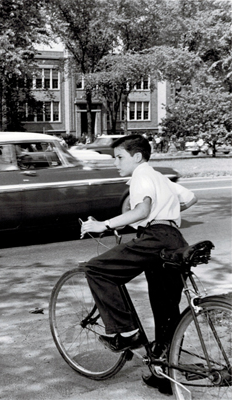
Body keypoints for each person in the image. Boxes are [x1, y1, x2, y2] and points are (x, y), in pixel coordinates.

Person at [80, 135, 197, 395]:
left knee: (97, 269)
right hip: (175, 240)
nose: (116, 163)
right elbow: (190, 199)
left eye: (119, 157)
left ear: (137, 157)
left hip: (154, 238)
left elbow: (142, 212)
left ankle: (126, 332)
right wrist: (167, 214)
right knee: (166, 310)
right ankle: (166, 375)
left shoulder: (141, 175)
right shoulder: (159, 177)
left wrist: (104, 224)